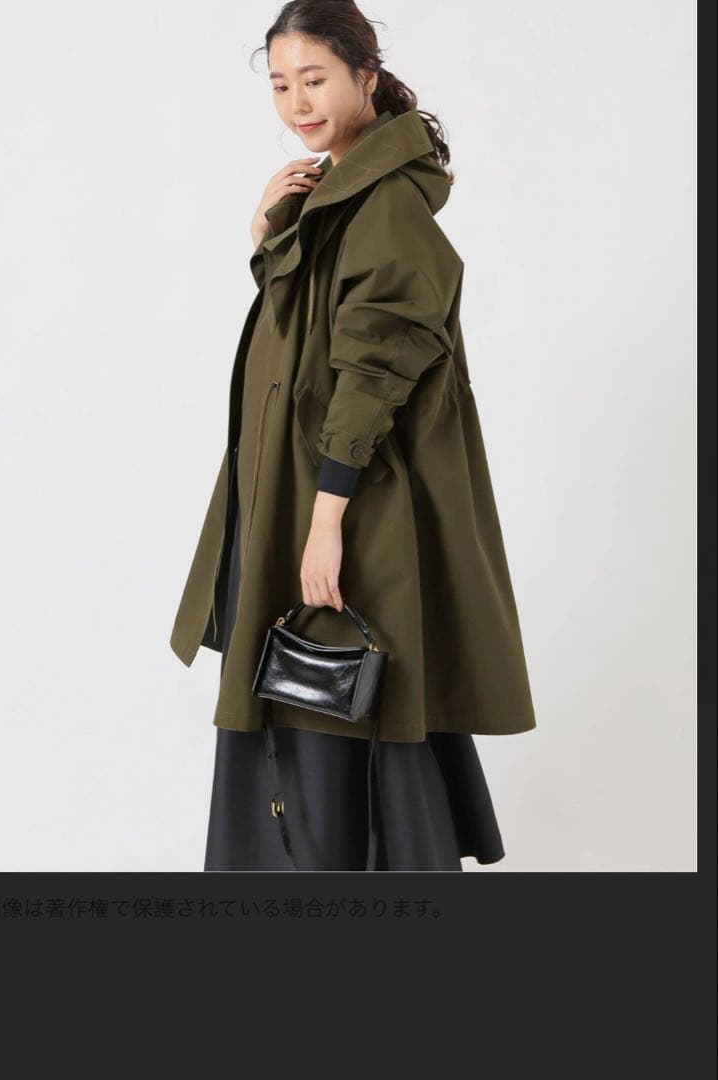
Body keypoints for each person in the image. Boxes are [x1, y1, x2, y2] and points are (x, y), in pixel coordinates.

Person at [169, 0, 537, 871]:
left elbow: (370, 375)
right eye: (281, 84)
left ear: (366, 77)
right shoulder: (339, 195)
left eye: (316, 79)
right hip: (301, 489)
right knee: (323, 699)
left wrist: (326, 517)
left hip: (349, 497)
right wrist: (266, 231)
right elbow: (307, 329)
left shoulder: (388, 208)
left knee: (343, 698)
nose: (298, 103)